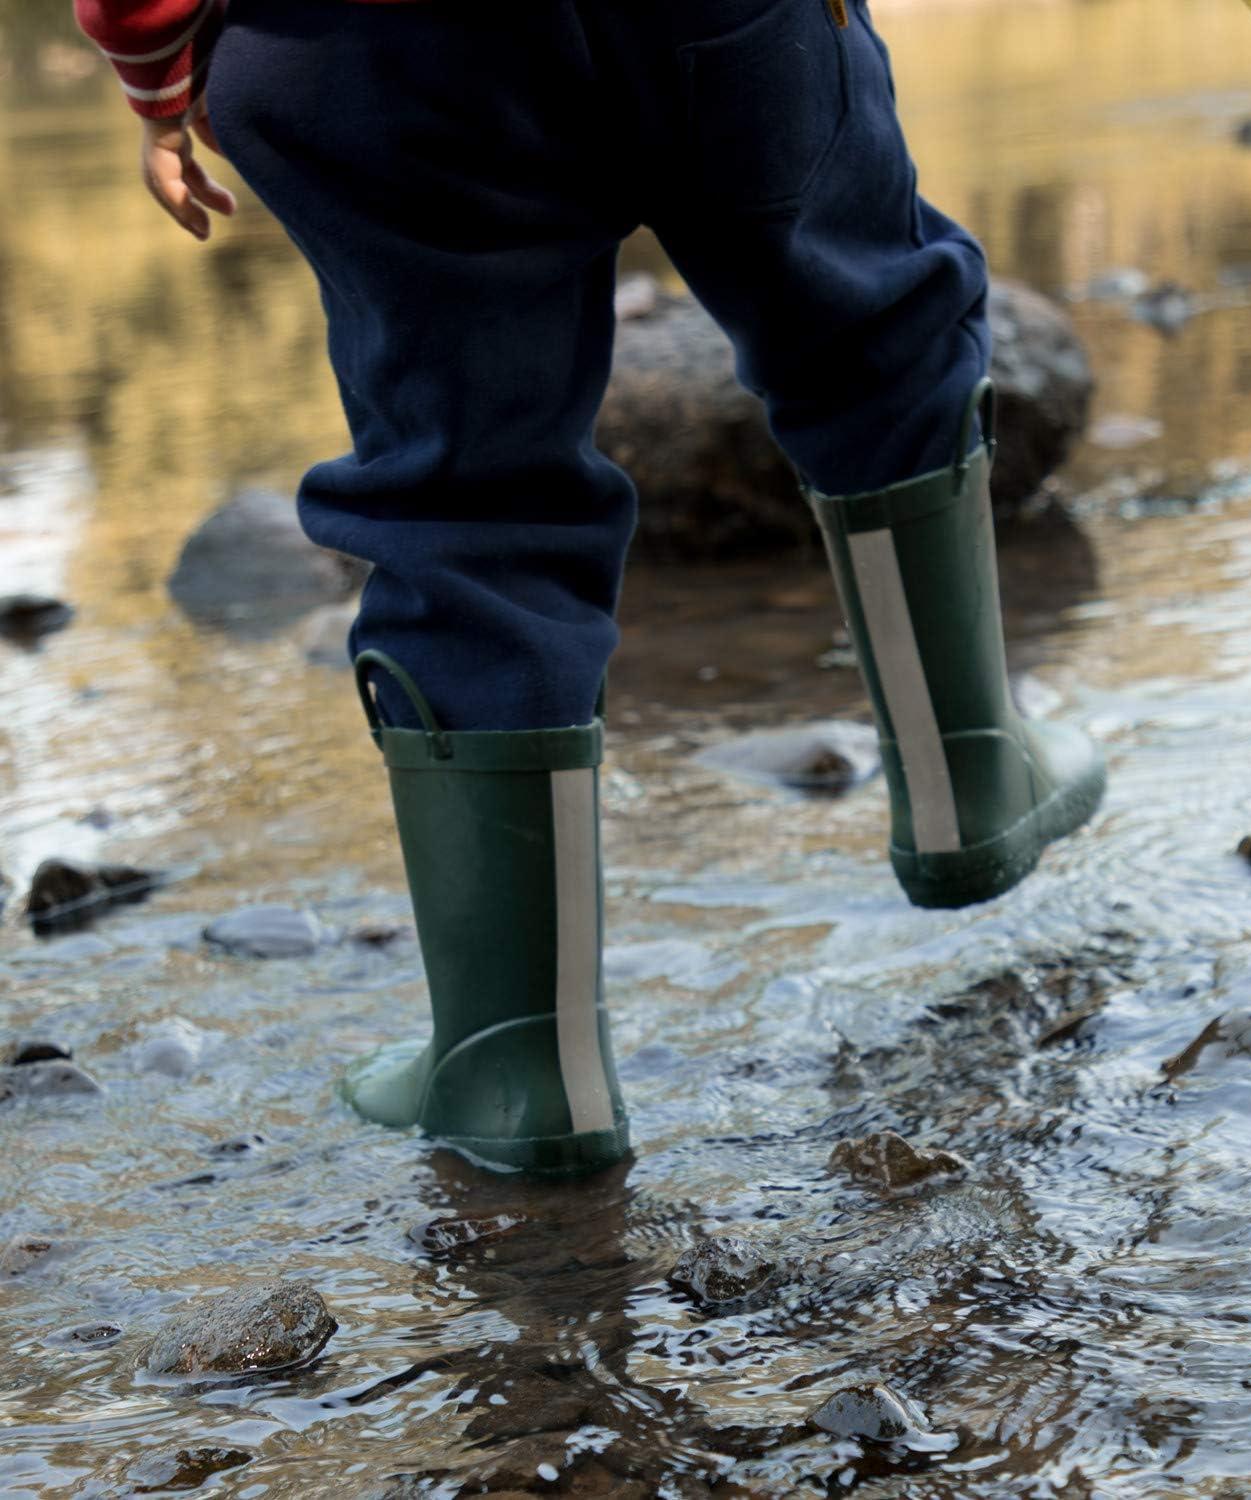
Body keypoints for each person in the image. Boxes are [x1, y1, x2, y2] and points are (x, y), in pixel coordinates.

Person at [75, 0, 1106, 1176]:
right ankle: (965, 778)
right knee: (865, 323)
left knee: (462, 495)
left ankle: (521, 1068)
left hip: (362, 44)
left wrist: (158, 77)